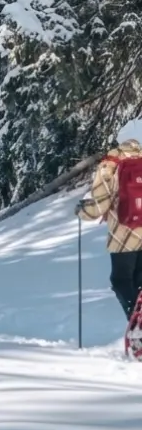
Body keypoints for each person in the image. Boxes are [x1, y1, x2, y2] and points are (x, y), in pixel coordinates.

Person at [75, 120, 142, 320]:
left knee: (121, 280)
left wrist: (81, 211)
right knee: (139, 282)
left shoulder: (110, 166)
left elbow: (98, 206)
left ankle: (137, 324)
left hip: (123, 236)